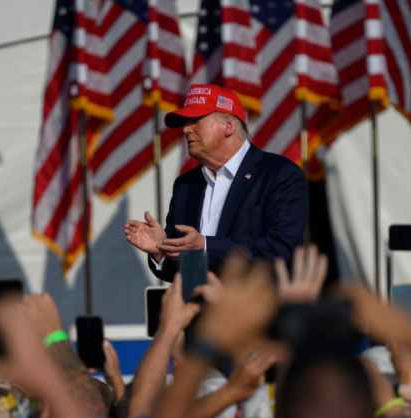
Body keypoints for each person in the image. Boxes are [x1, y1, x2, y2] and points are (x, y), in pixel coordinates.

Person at [125, 84, 308, 282]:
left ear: (229, 126)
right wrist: (162, 251)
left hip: (256, 310)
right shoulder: (186, 185)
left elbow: (280, 250)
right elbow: (182, 272)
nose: (186, 129)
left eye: (196, 120)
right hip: (200, 312)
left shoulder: (279, 174)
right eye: (186, 121)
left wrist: (205, 246)